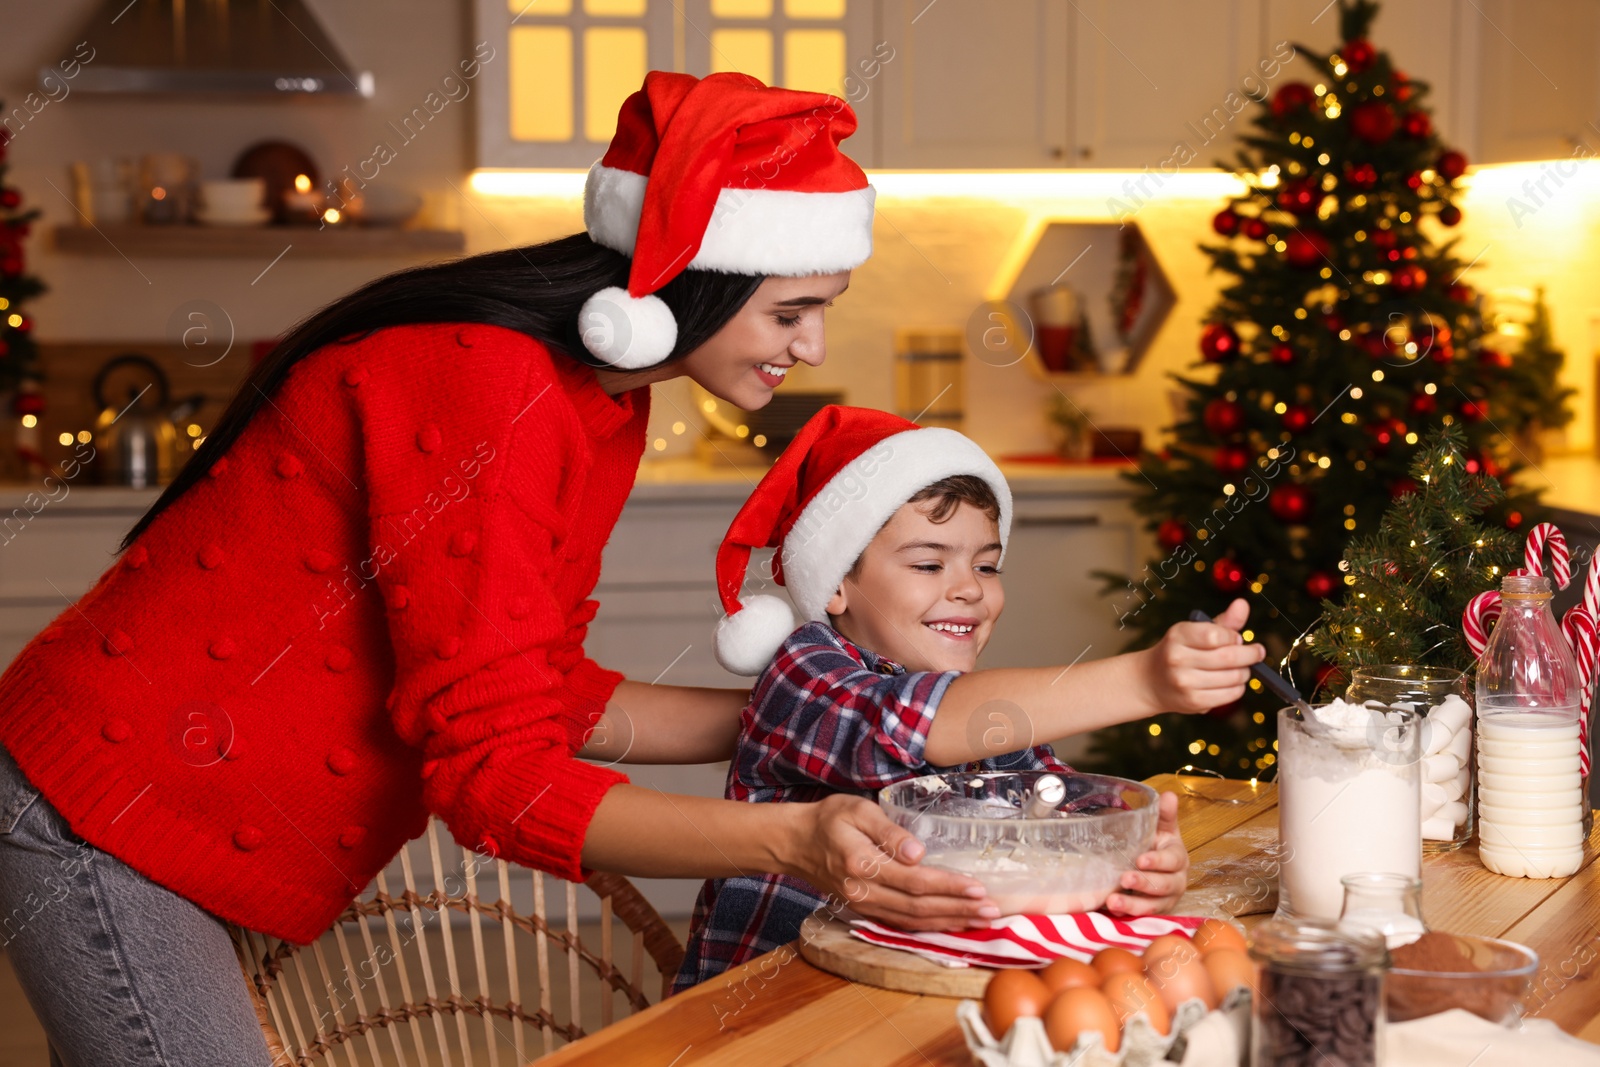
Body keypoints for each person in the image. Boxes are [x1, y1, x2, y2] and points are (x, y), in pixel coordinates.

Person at [0, 73, 989, 1065]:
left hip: (171, 809)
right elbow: (496, 776)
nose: (811, 347)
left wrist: (814, 723)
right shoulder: (489, 381)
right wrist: (791, 835)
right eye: (791, 313)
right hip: (102, 805)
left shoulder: (599, 401)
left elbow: (538, 690)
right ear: (701, 276)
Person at [675, 406, 1263, 988]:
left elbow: (1062, 817)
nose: (968, 590)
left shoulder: (986, 715)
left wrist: (1136, 864)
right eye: (930, 564)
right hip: (771, 1014)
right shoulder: (804, 671)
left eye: (987, 566)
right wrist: (1145, 682)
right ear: (837, 586)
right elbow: (902, 726)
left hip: (925, 999)